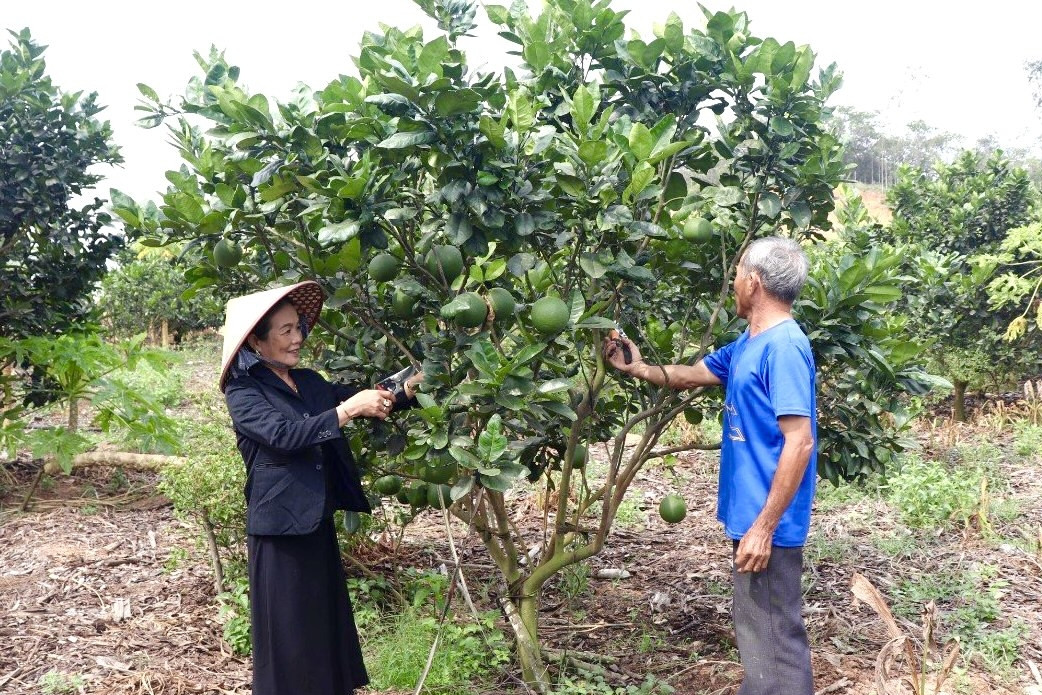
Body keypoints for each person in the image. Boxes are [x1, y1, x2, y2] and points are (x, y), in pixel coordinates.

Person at [604, 237, 817, 695]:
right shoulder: (750, 343)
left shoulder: (784, 347)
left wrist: (764, 528)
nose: (734, 280)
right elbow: (691, 374)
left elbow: (799, 442)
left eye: (738, 271)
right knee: (760, 638)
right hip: (753, 517)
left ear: (754, 283)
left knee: (777, 642)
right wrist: (636, 367)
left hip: (768, 523)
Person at [218, 280, 421, 695]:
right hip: (278, 530)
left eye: (299, 328)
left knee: (322, 624)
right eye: (286, 331)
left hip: (315, 519)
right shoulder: (244, 392)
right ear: (257, 340)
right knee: (288, 636)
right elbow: (286, 434)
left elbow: (362, 398)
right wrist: (347, 410)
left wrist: (402, 391)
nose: (297, 338)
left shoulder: (309, 382)